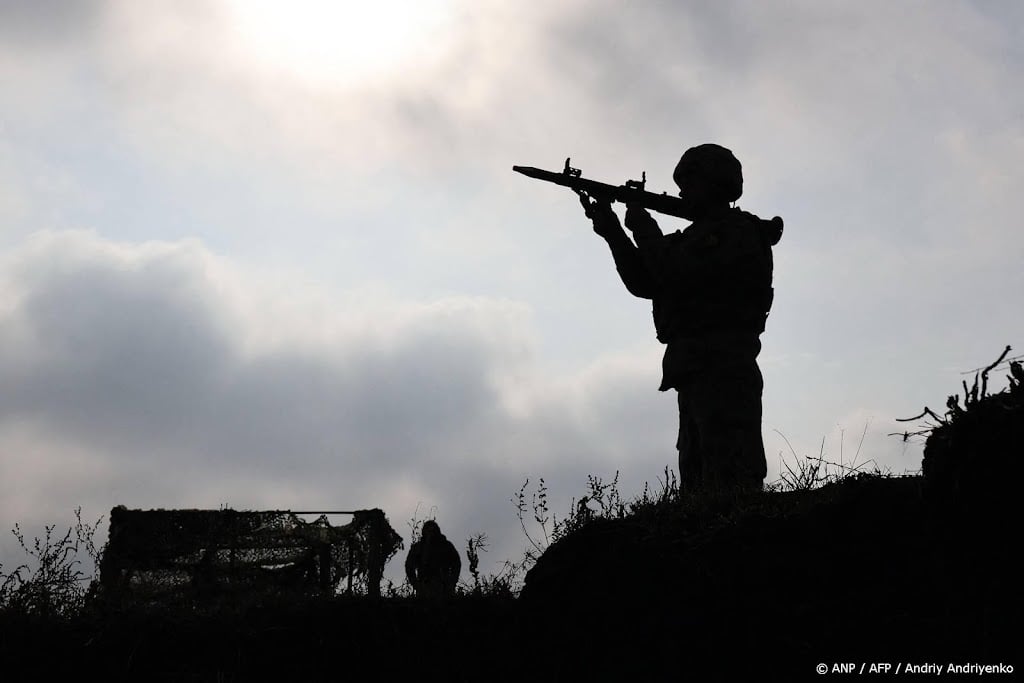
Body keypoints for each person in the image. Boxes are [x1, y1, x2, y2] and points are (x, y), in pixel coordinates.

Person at [580, 143, 782, 494]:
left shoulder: (735, 232)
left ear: (715, 183)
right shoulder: (697, 236)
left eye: (690, 183)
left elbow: (672, 270)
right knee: (696, 477)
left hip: (724, 366)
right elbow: (646, 281)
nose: (681, 193)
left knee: (731, 475)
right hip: (693, 368)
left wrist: (642, 224)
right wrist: (612, 228)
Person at [405, 520, 461, 598]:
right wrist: (416, 584)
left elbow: (456, 564)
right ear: (424, 532)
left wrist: (451, 582)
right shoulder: (418, 547)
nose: (430, 533)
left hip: (444, 587)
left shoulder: (446, 545)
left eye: (432, 530)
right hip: (424, 587)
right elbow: (409, 566)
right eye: (428, 530)